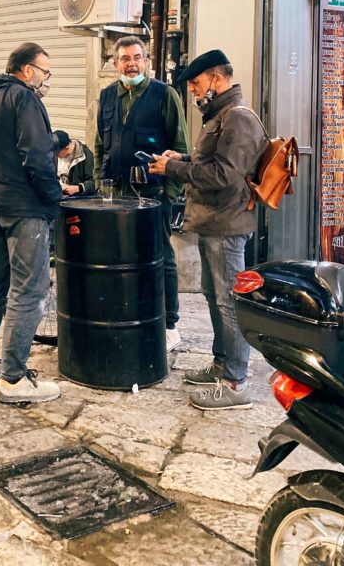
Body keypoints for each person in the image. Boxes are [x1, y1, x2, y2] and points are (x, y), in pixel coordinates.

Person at [150, 49, 267, 411]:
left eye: (197, 83)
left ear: (217, 78)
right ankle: (221, 365)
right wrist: (181, 159)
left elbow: (223, 175)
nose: (193, 91)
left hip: (226, 226)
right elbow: (211, 163)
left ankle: (235, 383)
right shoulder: (220, 115)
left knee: (229, 302)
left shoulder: (238, 118)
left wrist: (172, 170)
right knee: (214, 296)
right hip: (212, 222)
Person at [0, 41, 62, 404]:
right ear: (27, 70)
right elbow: (36, 156)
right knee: (29, 289)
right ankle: (14, 378)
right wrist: (53, 197)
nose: (47, 79)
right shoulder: (24, 98)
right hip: (23, 206)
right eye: (45, 72)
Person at [96, 36, 189, 350]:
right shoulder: (107, 96)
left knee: (161, 256)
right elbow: (100, 143)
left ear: (146, 61)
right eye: (125, 58)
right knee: (120, 256)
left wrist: (169, 193)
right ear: (115, 63)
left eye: (137, 57)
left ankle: (169, 323)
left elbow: (181, 147)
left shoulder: (165, 95)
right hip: (115, 193)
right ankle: (128, 315)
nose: (131, 64)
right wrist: (99, 182)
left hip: (154, 194)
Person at [53, 130, 95, 197]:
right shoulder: (53, 156)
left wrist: (78, 188)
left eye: (57, 154)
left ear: (66, 148)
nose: (56, 156)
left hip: (77, 199)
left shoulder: (86, 155)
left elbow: (93, 183)